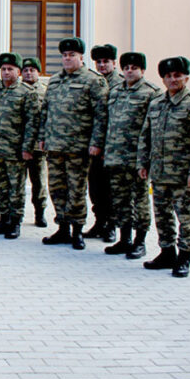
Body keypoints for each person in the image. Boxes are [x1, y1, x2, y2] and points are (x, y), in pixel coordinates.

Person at [138, 57, 190, 278]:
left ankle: (184, 257)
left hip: (182, 175)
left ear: (186, 77)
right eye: (169, 76)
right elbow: (146, 135)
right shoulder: (156, 103)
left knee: (186, 217)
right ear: (163, 79)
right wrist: (143, 163)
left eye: (178, 75)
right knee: (162, 215)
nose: (173, 79)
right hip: (159, 172)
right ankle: (167, 252)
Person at [39, 37, 108, 250]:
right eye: (64, 55)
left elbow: (101, 114)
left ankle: (77, 229)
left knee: (76, 190)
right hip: (55, 146)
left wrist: (97, 142)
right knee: (57, 188)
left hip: (79, 147)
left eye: (72, 55)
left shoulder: (93, 81)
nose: (67, 58)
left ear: (81, 57)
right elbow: (45, 111)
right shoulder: (55, 80)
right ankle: (62, 227)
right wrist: (42, 137)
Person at [102, 52, 160, 258]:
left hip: (137, 159)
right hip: (115, 157)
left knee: (139, 201)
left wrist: (146, 160)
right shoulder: (116, 91)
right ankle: (124, 239)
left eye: (134, 68)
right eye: (126, 67)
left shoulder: (151, 93)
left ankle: (140, 241)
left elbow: (153, 129)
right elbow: (109, 123)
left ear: (142, 70)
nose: (129, 71)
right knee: (120, 201)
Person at [0, 53, 39, 239]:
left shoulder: (27, 93)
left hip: (15, 151)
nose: (6, 72)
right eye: (3, 69)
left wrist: (28, 147)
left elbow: (32, 123)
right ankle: (3, 218)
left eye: (10, 69)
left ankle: (15, 221)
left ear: (18, 72)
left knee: (16, 188)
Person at [86, 44, 124, 242]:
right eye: (98, 62)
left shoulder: (121, 84)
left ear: (114, 63)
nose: (101, 65)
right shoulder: (93, 81)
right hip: (93, 144)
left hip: (113, 146)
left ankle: (111, 225)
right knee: (95, 187)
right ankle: (99, 222)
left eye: (106, 62)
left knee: (111, 188)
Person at [20, 57, 49, 227]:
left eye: (32, 70)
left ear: (38, 72)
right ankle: (17, 214)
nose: (29, 73)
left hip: (37, 147)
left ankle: (40, 212)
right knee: (17, 183)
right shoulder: (17, 90)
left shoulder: (45, 92)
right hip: (18, 144)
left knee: (38, 181)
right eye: (25, 70)